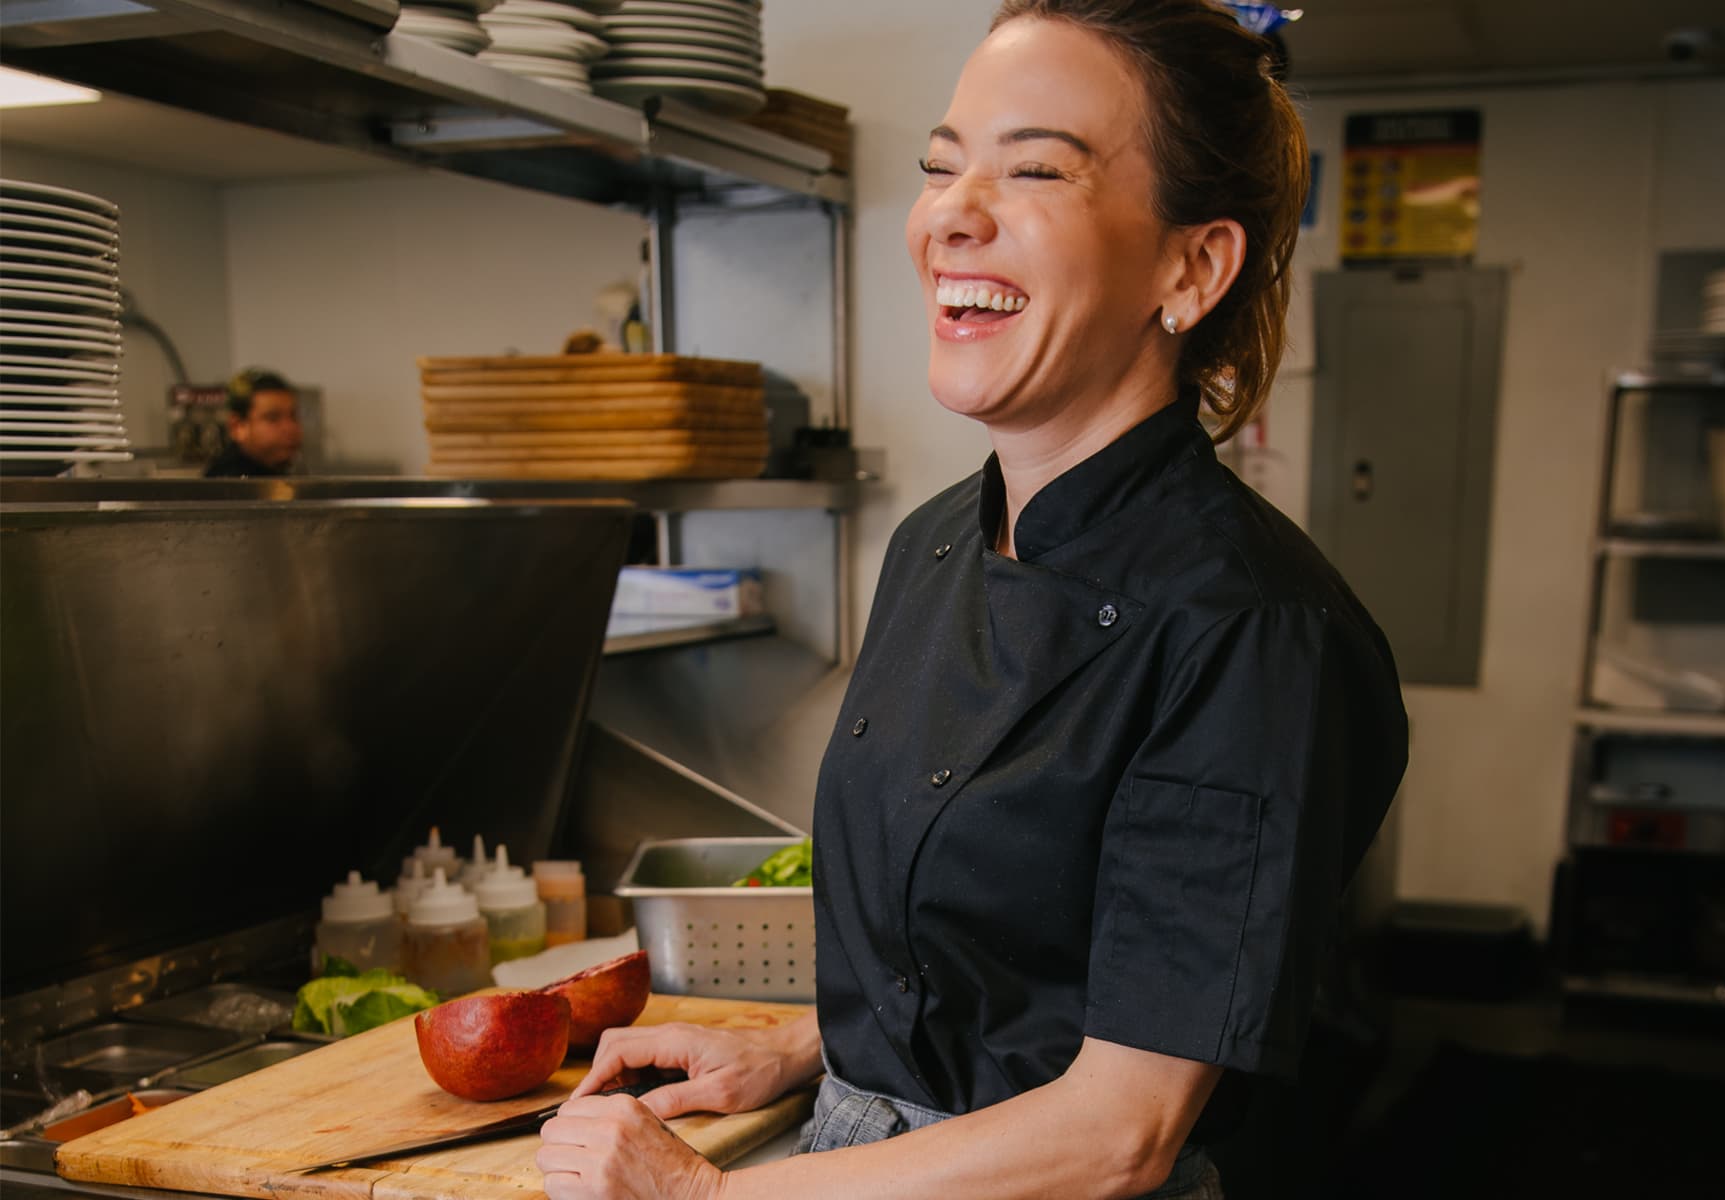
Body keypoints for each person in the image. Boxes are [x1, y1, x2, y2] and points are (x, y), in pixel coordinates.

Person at [538, 2, 1409, 1197]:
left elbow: (1120, 1130)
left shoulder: (1250, 630)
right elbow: (1002, 972)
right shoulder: (937, 539)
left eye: (1036, 168)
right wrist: (799, 1050)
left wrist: (702, 1196)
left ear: (1189, 265)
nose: (951, 213)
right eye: (942, 166)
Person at [203, 367, 303, 478]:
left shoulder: (277, 474)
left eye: (293, 417)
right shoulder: (226, 484)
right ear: (237, 426)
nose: (290, 428)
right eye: (272, 418)